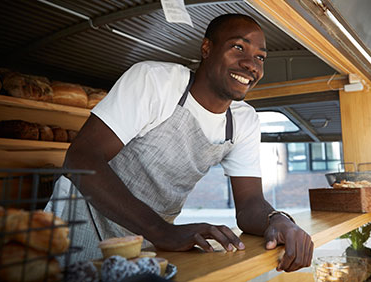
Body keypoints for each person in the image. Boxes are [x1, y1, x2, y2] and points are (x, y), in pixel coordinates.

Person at [55, 13, 314, 272]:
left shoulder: (244, 120)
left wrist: (279, 220)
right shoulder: (156, 81)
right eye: (238, 47)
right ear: (206, 48)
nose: (251, 65)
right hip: (78, 228)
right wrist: (161, 230)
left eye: (260, 57)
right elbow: (81, 158)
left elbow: (249, 204)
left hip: (146, 242)